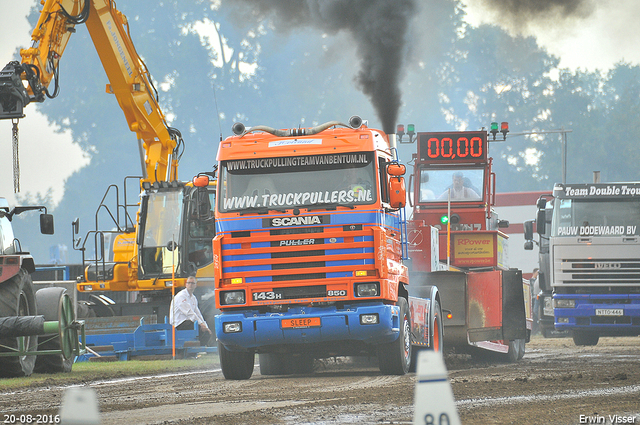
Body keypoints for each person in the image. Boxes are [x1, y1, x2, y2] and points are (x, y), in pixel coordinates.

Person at [170, 276, 212, 345]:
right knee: (199, 328)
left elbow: (198, 313)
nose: (190, 285)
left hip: (187, 322)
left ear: (196, 285)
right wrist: (201, 324)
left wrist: (205, 325)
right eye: (188, 283)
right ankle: (198, 349)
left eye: (192, 283)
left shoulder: (193, 298)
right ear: (186, 284)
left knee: (206, 331)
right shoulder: (181, 296)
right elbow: (189, 313)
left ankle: (200, 349)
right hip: (178, 324)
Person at [530, 268, 540, 335]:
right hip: (533, 298)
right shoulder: (531, 281)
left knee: (535, 312)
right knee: (534, 312)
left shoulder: (536, 281)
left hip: (535, 297)